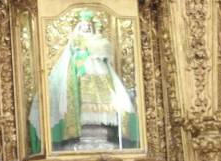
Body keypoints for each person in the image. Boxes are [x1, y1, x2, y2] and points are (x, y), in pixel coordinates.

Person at [28, 9, 139, 153]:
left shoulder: (98, 39)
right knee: (79, 99)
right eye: (83, 25)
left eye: (88, 25)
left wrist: (97, 45)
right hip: (81, 72)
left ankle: (102, 130)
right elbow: (73, 50)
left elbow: (105, 52)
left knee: (109, 99)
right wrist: (83, 54)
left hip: (99, 73)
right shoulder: (76, 39)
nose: (86, 28)